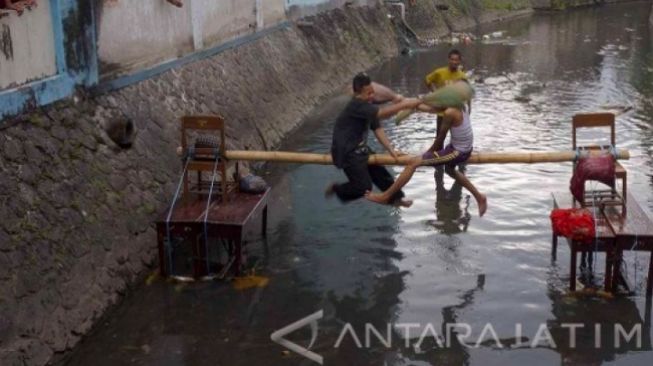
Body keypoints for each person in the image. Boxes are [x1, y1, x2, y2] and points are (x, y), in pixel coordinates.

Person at [365, 88, 487, 217]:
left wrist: (424, 156)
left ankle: (386, 196)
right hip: (462, 147)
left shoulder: (450, 112)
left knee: (413, 163)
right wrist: (412, 104)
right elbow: (430, 109)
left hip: (459, 152)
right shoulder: (461, 105)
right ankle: (479, 197)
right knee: (450, 170)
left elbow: (439, 140)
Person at [327, 73, 422, 206]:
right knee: (364, 188)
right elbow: (382, 113)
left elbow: (378, 129)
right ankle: (337, 189)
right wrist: (405, 104)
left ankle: (396, 199)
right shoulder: (356, 105)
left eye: (373, 92)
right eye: (368, 93)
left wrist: (391, 150)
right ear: (358, 93)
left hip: (359, 148)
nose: (372, 96)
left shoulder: (367, 105)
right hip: (347, 151)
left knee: (381, 173)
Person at [424, 49, 468, 147]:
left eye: (456, 60)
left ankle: (451, 159)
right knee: (440, 137)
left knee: (456, 138)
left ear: (459, 61)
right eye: (452, 59)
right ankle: (437, 158)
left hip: (455, 112)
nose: (454, 62)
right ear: (448, 60)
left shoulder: (462, 76)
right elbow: (428, 80)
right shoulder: (440, 72)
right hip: (442, 112)